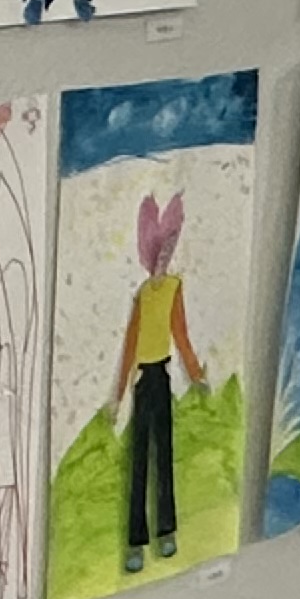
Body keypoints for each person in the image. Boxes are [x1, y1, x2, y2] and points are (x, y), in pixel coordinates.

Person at [110, 191, 208, 574]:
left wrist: (196, 375)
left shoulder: (173, 289)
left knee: (163, 454)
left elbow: (180, 334)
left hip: (161, 376)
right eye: (160, 250)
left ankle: (166, 532)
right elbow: (130, 345)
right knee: (140, 460)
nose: (165, 258)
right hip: (141, 378)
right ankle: (136, 541)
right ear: (149, 252)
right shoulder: (142, 296)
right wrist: (118, 396)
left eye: (170, 249)